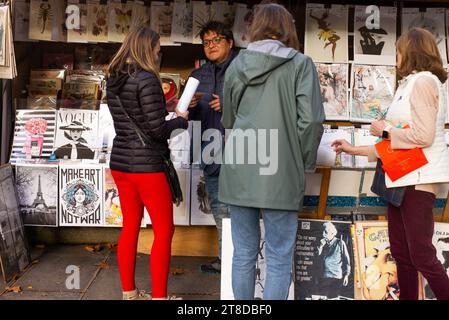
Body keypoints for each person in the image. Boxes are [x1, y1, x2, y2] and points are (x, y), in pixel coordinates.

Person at [332, 28, 449, 300]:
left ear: (411, 52)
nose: (395, 57)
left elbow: (423, 136)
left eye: (398, 50)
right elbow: (396, 144)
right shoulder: (410, 83)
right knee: (402, 255)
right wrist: (354, 148)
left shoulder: (423, 82)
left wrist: (383, 130)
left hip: (417, 179)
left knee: (420, 255)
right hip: (401, 176)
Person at [219, 4, 325, 300]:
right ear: (287, 28)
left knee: (243, 253)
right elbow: (312, 121)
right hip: (280, 166)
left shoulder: (237, 64)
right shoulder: (301, 64)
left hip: (240, 163)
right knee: (279, 257)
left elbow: (228, 118)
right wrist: (304, 161)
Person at [106, 24, 188, 300]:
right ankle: (159, 297)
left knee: (130, 225)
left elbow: (137, 117)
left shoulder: (114, 78)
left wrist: (160, 109)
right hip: (148, 166)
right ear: (146, 48)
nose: (158, 54)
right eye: (157, 49)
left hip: (120, 163)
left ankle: (129, 292)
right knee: (164, 230)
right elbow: (156, 131)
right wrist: (179, 120)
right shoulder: (147, 79)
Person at [187, 21, 237, 273]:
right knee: (218, 208)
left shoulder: (243, 71)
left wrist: (230, 108)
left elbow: (261, 109)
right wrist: (190, 106)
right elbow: (188, 119)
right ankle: (224, 258)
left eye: (217, 40)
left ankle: (244, 261)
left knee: (244, 210)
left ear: (230, 42)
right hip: (210, 150)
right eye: (207, 42)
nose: (211, 46)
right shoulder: (197, 76)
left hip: (245, 152)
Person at [315, 221, 351, 299]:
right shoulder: (321, 243)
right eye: (323, 231)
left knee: (332, 297)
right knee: (322, 297)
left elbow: (347, 261)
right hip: (323, 276)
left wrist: (346, 275)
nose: (323, 234)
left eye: (326, 232)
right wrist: (320, 247)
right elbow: (316, 260)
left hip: (335, 277)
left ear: (332, 233)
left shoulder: (340, 243)